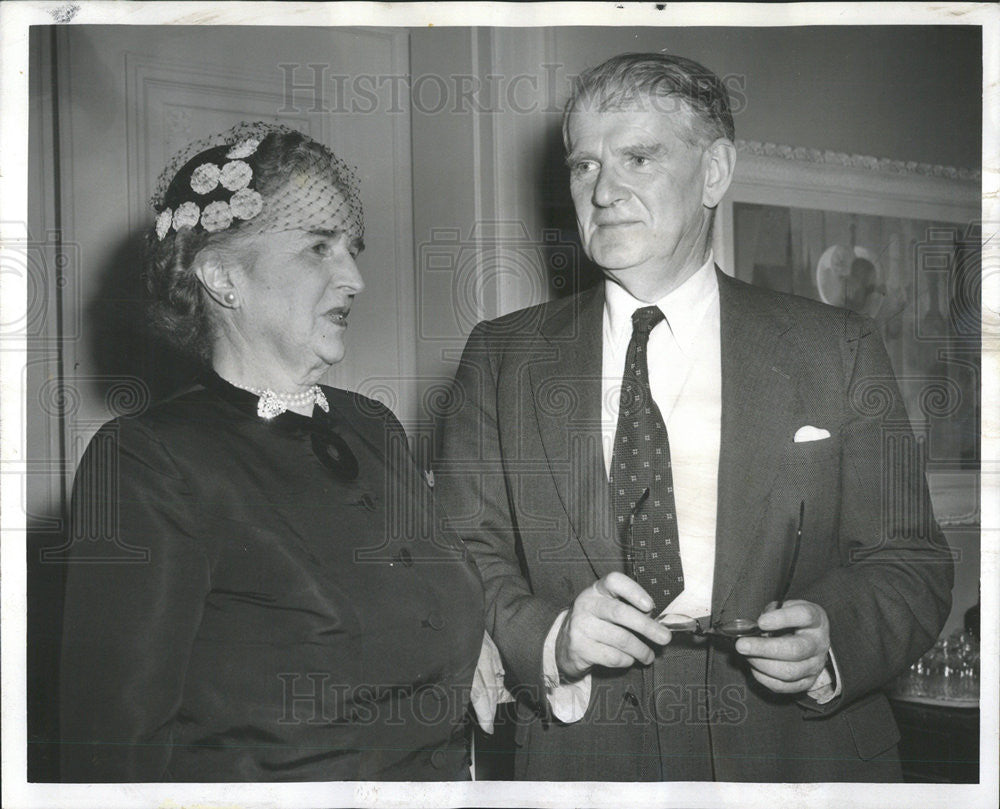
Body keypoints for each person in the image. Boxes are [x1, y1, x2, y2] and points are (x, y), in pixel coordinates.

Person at [436, 53, 954, 782]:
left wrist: (834, 639)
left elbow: (911, 559)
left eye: (637, 157)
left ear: (713, 172)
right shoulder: (500, 359)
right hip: (586, 765)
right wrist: (550, 638)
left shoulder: (837, 347)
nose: (604, 190)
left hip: (803, 760)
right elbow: (458, 558)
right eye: (583, 166)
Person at [59, 122, 485, 782]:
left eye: (352, 248)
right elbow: (112, 754)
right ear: (224, 276)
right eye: (319, 247)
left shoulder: (374, 426)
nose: (354, 277)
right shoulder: (149, 462)